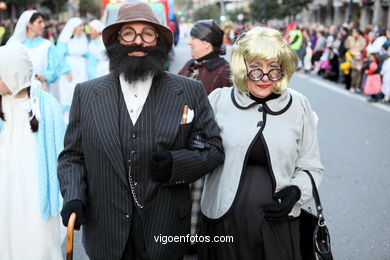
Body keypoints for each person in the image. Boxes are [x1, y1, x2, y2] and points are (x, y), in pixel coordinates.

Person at [57, 2, 224, 260]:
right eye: (128, 34)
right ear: (116, 41)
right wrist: (74, 196)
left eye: (147, 34)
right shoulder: (87, 93)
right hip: (106, 232)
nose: (138, 41)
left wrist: (176, 164)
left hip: (165, 230)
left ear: (157, 41)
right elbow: (72, 157)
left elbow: (213, 148)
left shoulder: (189, 90)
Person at [199, 27, 324, 260]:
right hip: (223, 224)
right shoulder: (218, 101)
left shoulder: (299, 105)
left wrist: (297, 192)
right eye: (255, 68)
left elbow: (311, 166)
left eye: (273, 68)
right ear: (241, 66)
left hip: (278, 223)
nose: (265, 77)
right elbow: (197, 152)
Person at [0, 44, 65, 259]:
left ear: (13, 73)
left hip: (36, 191)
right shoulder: (3, 105)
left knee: (36, 240)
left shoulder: (45, 106)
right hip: (6, 188)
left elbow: (61, 154)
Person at [8, 10, 59, 92]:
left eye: (43, 22)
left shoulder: (48, 46)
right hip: (19, 93)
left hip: (41, 92)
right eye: (39, 22)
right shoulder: (14, 45)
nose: (43, 25)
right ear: (29, 24)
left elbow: (55, 71)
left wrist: (44, 76)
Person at [178, 19, 232, 95]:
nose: (189, 42)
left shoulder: (225, 71)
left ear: (206, 43)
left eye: (193, 38)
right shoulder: (191, 63)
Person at [56, 17, 88, 123]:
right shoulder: (64, 39)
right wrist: (66, 71)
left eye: (82, 26)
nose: (82, 28)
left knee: (82, 92)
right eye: (79, 26)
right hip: (70, 69)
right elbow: (59, 55)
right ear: (73, 27)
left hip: (82, 69)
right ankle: (67, 121)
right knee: (69, 93)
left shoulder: (84, 38)